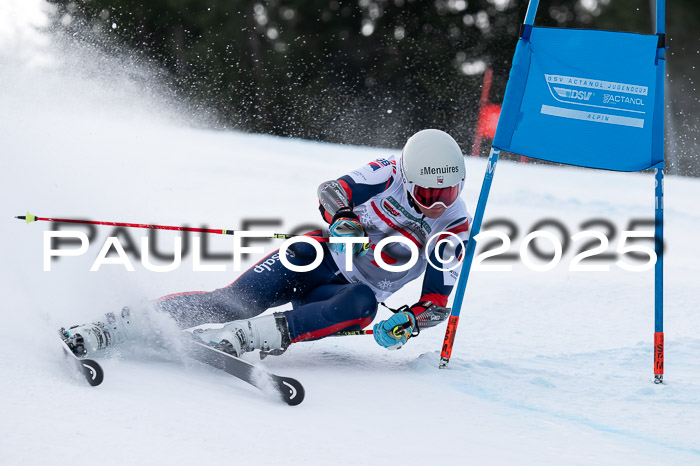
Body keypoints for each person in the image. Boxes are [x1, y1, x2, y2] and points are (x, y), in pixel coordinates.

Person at [61, 129, 472, 358]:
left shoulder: (454, 227)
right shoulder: (387, 172)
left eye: (448, 193)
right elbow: (332, 191)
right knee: (230, 300)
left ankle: (247, 336)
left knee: (362, 304)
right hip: (318, 257)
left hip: (342, 293)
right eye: (427, 194)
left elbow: (435, 303)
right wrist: (343, 219)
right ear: (408, 177)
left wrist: (410, 322)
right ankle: (109, 326)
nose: (437, 204)